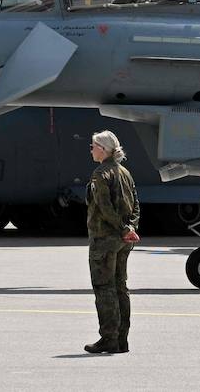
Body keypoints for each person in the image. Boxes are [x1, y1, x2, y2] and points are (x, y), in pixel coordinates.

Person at [84, 130, 140, 354]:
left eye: (93, 146)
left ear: (103, 149)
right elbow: (136, 203)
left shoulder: (101, 174)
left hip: (105, 239)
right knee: (120, 288)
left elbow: (104, 207)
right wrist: (131, 227)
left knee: (104, 288)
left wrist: (122, 228)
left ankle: (109, 338)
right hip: (124, 240)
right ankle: (122, 340)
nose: (91, 150)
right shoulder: (125, 173)